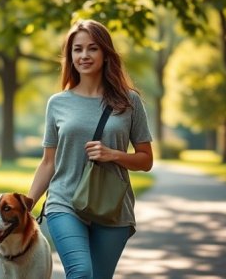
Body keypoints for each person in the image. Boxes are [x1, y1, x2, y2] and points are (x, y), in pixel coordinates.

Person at [28, 19, 153, 279]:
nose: (84, 55)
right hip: (65, 202)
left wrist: (114, 154)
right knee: (82, 273)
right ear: (70, 56)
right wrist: (27, 204)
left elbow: (146, 160)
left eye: (92, 48)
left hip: (112, 207)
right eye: (77, 49)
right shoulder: (58, 103)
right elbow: (48, 162)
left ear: (106, 54)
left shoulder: (129, 101)